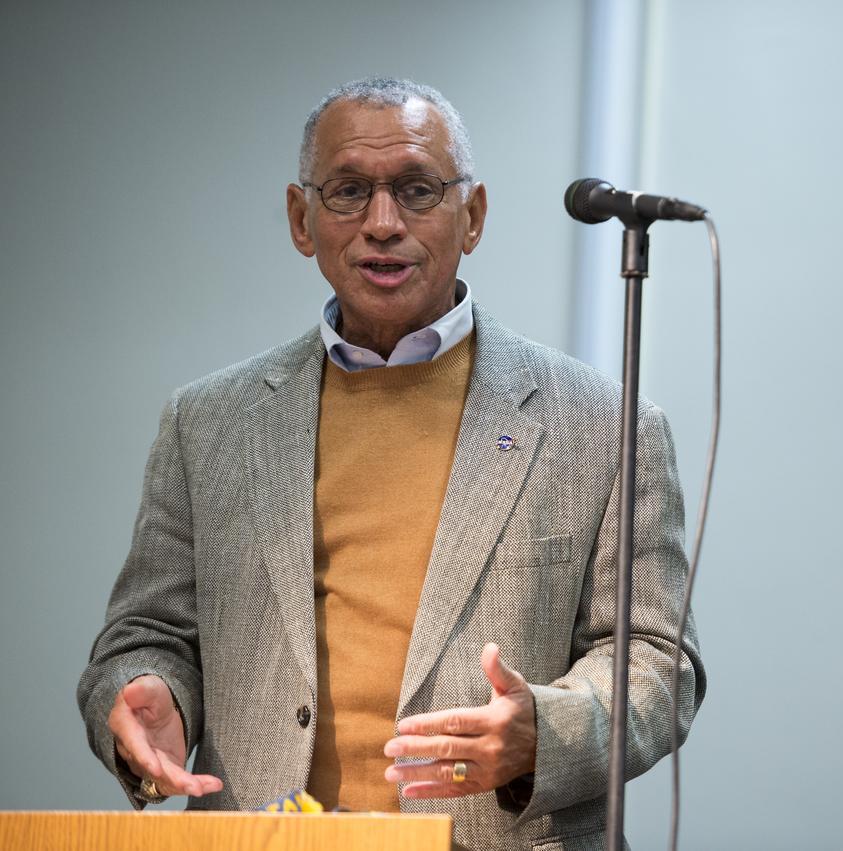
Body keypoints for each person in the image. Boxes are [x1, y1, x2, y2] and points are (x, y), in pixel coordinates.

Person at [76, 77, 705, 851]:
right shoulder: (207, 422)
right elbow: (146, 631)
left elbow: (657, 662)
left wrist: (544, 729)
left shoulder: (606, 425)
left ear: (470, 217)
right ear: (301, 220)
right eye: (348, 192)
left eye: (416, 190)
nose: (382, 223)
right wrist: (149, 689)